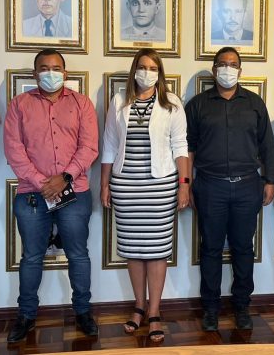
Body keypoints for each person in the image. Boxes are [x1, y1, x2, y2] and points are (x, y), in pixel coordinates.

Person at [3, 49, 99, 342]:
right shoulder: (19, 105)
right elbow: (13, 149)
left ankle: (83, 311)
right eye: (44, 68)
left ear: (65, 73)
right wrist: (41, 182)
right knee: (31, 256)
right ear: (35, 74)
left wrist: (64, 178)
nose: (50, 73)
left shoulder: (82, 103)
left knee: (78, 254)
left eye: (56, 68)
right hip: (32, 194)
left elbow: (89, 147)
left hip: (75, 193)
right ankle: (26, 315)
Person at [185, 47, 274, 332]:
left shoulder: (254, 103)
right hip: (210, 186)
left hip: (248, 186)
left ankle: (241, 306)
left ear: (240, 70)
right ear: (215, 69)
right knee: (211, 248)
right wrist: (187, 184)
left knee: (243, 248)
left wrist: (271, 180)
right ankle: (210, 308)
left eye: (233, 64)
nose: (228, 69)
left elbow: (267, 144)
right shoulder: (198, 105)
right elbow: (187, 148)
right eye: (222, 64)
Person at [101, 48, 189, 343]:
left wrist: (184, 185)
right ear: (134, 70)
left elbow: (180, 145)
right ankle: (138, 306)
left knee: (157, 250)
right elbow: (109, 145)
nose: (147, 72)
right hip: (126, 185)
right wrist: (104, 184)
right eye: (142, 66)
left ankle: (154, 312)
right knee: (133, 249)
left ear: (159, 72)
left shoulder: (171, 103)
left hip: (160, 185)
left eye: (153, 68)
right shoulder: (119, 101)